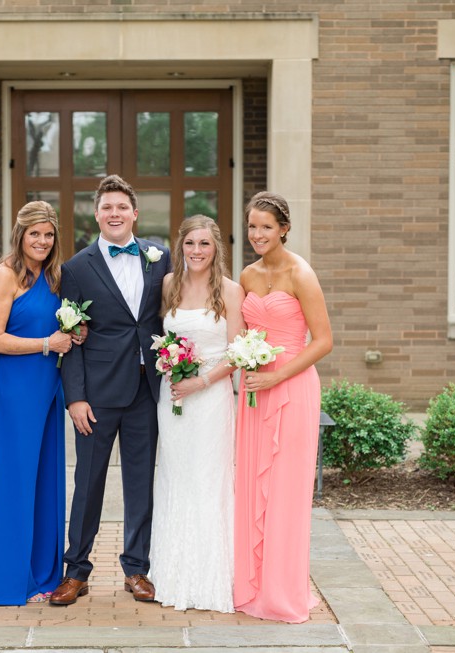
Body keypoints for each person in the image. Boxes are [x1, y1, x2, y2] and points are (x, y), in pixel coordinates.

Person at [50, 174, 171, 606]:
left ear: (134, 213)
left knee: (142, 484)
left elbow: (166, 318)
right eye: (107, 208)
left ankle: (136, 569)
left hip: (146, 391)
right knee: (88, 485)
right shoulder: (76, 269)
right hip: (97, 396)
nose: (114, 214)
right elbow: (70, 335)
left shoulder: (161, 259)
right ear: (97, 215)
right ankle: (76, 571)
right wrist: (76, 398)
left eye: (122, 207)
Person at [234, 191, 333, 623]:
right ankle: (252, 584)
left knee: (287, 491)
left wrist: (278, 375)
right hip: (254, 391)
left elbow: (324, 341)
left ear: (284, 229)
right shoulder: (247, 276)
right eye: (252, 227)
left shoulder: (301, 274)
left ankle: (282, 591)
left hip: (292, 389)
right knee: (254, 486)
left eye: (266, 228)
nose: (257, 234)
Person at [0, 201, 82, 605]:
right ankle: (9, 582)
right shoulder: (4, 276)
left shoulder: (56, 276)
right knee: (15, 482)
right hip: (13, 389)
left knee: (46, 481)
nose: (42, 241)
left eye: (48, 234)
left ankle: (43, 576)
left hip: (47, 389)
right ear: (20, 235)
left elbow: (61, 330)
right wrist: (46, 344)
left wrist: (75, 333)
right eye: (34, 234)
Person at [148, 216, 245, 613]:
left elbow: (237, 353)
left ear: (216, 248)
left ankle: (211, 577)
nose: (197, 251)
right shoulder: (169, 285)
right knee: (174, 476)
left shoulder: (232, 292)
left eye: (204, 244)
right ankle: (170, 572)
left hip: (211, 399)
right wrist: (174, 369)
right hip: (173, 401)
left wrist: (200, 382)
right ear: (181, 246)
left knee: (209, 479)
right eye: (190, 244)